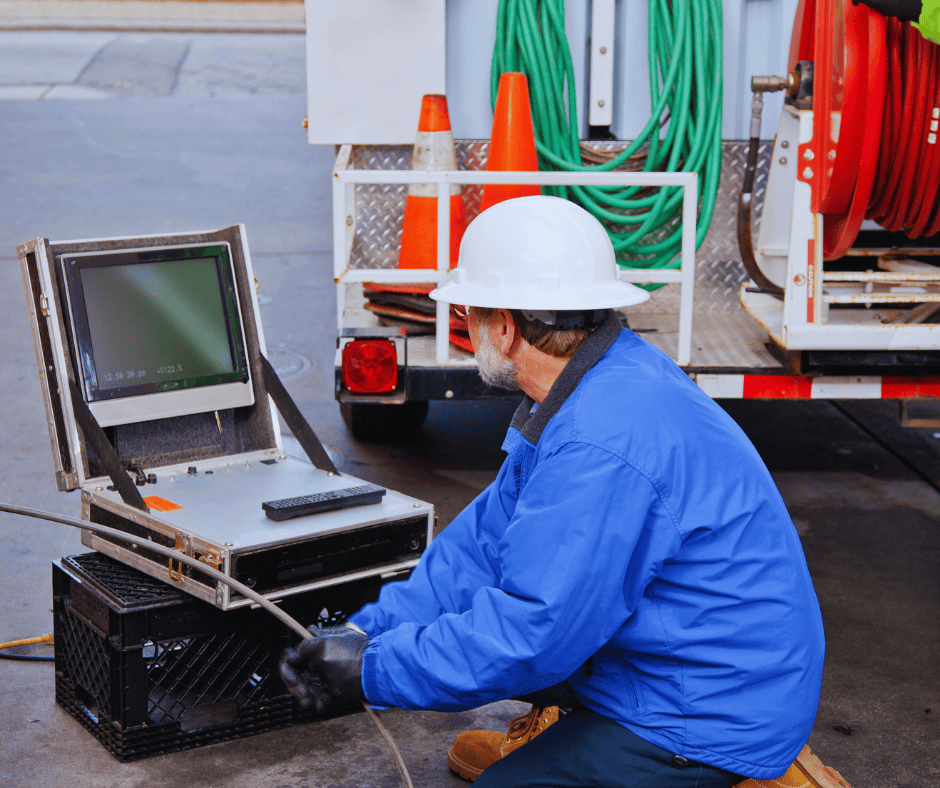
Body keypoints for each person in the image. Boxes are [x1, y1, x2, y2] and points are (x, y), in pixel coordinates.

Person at [281, 195, 827, 788]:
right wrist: (366, 633)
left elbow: (532, 633)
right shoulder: (592, 383)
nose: (466, 327)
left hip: (708, 713)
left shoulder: (599, 442)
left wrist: (372, 673)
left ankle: (743, 775)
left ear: (505, 327)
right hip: (684, 659)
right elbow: (482, 549)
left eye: (467, 312)